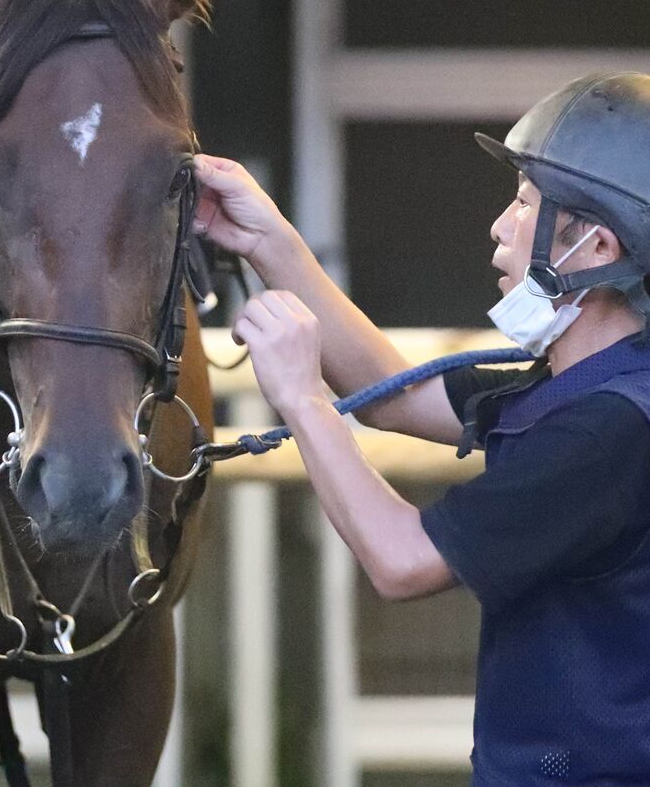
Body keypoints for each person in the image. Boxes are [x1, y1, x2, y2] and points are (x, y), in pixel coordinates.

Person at [193, 71, 650, 784]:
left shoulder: (608, 430)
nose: (500, 227)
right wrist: (267, 239)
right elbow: (391, 395)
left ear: (596, 249)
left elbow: (402, 559)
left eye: (527, 203)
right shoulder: (578, 382)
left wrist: (302, 398)